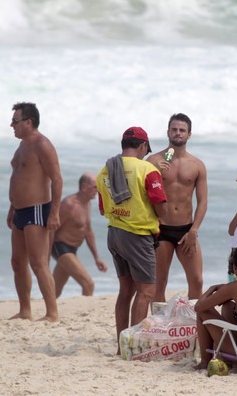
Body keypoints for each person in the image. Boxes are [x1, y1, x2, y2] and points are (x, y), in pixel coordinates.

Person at [96, 126, 168, 354]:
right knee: (146, 290)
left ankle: (121, 346)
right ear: (142, 146)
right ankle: (134, 347)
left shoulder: (105, 171)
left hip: (114, 232)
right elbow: (162, 210)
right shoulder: (147, 170)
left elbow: (102, 208)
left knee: (125, 290)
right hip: (137, 234)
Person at [7, 102, 62, 322]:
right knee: (17, 262)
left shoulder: (42, 144)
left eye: (15, 121)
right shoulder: (22, 146)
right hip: (19, 211)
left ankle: (52, 313)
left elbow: (56, 179)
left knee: (39, 263)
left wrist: (55, 212)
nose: (11, 125)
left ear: (28, 122)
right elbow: (19, 179)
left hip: (37, 209)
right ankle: (25, 311)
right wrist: (12, 207)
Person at [147, 113, 208, 302]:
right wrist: (153, 171)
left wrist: (194, 229)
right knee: (159, 282)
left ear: (189, 134)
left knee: (197, 281)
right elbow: (140, 194)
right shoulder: (152, 161)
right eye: (174, 129)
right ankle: (158, 325)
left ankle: (192, 324)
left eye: (182, 130)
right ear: (167, 132)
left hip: (185, 230)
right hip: (160, 228)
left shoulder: (197, 165)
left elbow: (203, 201)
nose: (178, 133)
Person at [50, 173, 108, 297]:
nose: (97, 191)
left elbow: (88, 231)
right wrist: (44, 255)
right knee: (88, 284)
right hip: (61, 248)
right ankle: (87, 313)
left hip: (72, 249)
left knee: (55, 290)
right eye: (95, 187)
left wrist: (96, 258)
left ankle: (45, 311)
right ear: (84, 187)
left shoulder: (87, 204)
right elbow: (51, 229)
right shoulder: (69, 205)